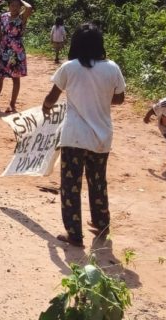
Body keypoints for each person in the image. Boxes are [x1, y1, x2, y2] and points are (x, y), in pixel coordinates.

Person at [41, 23, 126, 247]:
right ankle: (101, 223)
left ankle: (74, 234)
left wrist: (46, 108)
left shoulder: (69, 68)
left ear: (76, 44)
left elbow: (51, 97)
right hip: (102, 137)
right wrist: (99, 96)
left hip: (74, 137)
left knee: (71, 186)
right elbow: (119, 99)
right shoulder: (112, 68)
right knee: (98, 182)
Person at [0, 0, 34, 113]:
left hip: (16, 52)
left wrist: (21, 0)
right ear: (8, 6)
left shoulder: (22, 18)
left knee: (16, 78)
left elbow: (29, 8)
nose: (14, 8)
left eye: (17, 6)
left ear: (20, 7)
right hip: (3, 50)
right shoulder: (3, 16)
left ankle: (12, 105)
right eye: (12, 5)